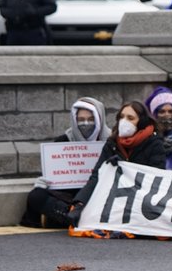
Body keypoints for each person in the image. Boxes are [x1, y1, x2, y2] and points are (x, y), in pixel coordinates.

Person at [69, 101, 167, 223]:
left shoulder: (155, 144)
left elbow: (156, 180)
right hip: (114, 201)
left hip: (142, 204)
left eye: (130, 118)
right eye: (122, 117)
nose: (124, 121)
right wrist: (80, 203)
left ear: (141, 122)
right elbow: (96, 176)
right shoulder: (112, 143)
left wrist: (125, 169)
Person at [20, 96, 109, 227]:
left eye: (91, 119)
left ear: (99, 119)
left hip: (97, 194)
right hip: (69, 198)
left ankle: (66, 220)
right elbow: (54, 172)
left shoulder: (111, 141)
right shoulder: (63, 141)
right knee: (37, 196)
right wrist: (44, 182)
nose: (86, 123)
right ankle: (74, 217)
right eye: (81, 120)